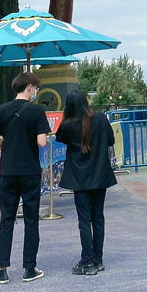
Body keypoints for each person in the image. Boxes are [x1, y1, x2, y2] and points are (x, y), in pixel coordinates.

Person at [0, 72, 50, 284]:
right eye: (35, 88)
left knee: (6, 219)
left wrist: (9, 141)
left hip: (8, 171)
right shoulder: (37, 111)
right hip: (30, 171)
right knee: (31, 221)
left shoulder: (2, 110)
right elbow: (42, 142)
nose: (36, 91)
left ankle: (2, 270)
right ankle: (29, 268)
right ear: (29, 87)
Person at [56, 89, 117, 275]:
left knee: (84, 220)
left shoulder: (68, 125)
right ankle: (98, 259)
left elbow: (59, 137)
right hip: (100, 175)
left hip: (80, 178)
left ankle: (87, 261)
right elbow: (110, 140)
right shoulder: (101, 119)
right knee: (98, 218)